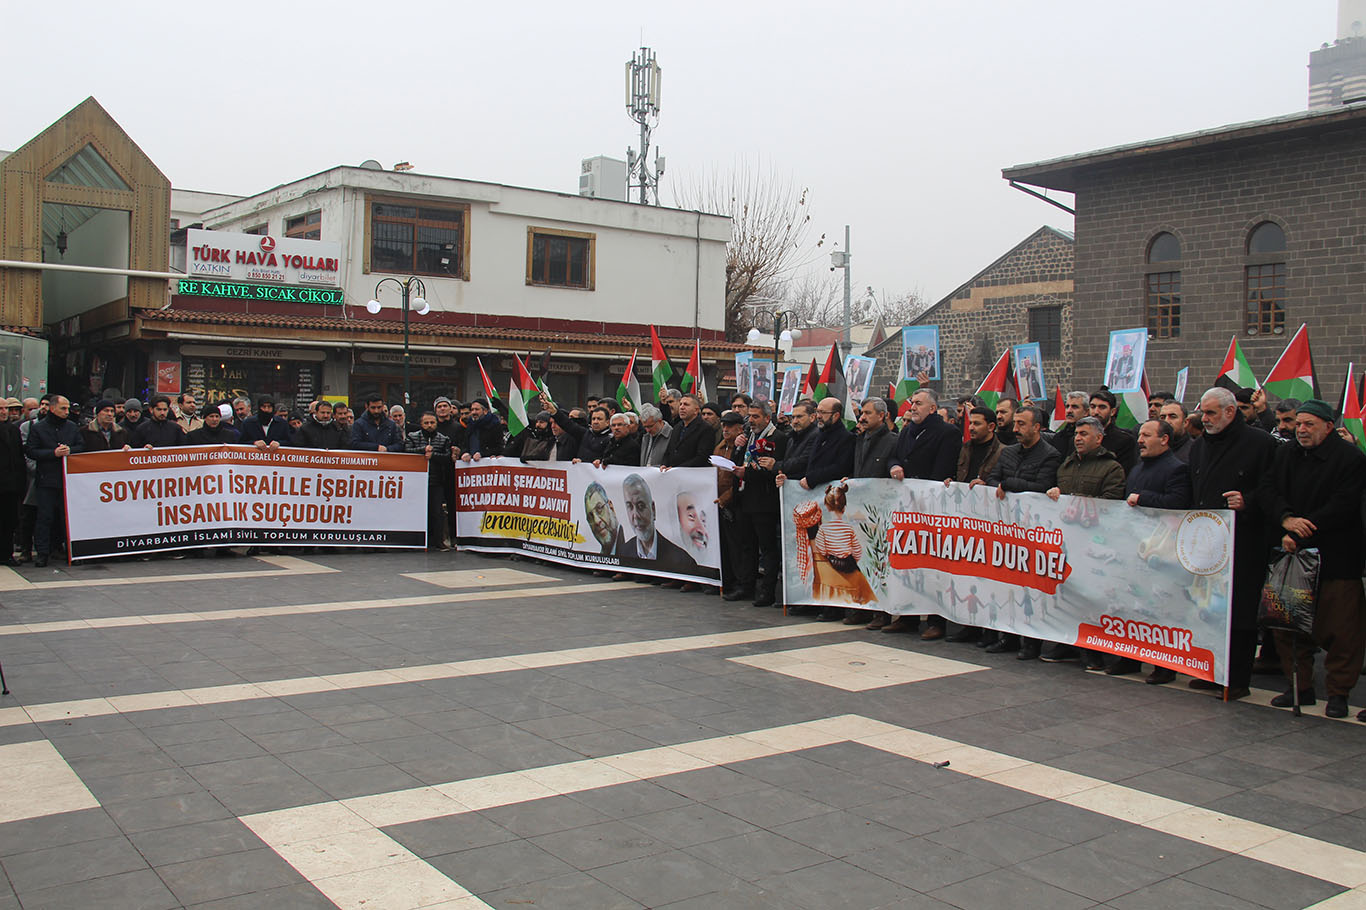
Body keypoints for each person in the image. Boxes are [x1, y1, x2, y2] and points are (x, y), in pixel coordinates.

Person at [1260, 399, 1366, 717]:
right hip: (1291, 557)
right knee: (1289, 626)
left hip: (1336, 559)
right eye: (1299, 424)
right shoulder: (1285, 453)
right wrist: (1285, 519)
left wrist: (1300, 532)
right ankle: (1299, 687)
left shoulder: (1351, 459)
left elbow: (1344, 504)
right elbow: (1267, 490)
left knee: (1342, 630)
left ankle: (1338, 693)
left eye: (1309, 424)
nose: (1301, 430)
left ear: (1328, 427)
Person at [1186, 387, 1276, 700]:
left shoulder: (1260, 443)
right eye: (1203, 412)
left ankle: (1236, 677)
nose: (1205, 418)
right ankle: (1212, 671)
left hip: (1244, 543)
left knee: (1238, 613)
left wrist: (1248, 501)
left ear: (1229, 412)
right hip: (1206, 543)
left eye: (1211, 413)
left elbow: (1273, 487)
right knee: (1209, 608)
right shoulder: (1199, 447)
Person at [978, 405, 1060, 659]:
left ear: (1037, 427)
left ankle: (1031, 642)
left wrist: (1010, 485)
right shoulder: (1009, 452)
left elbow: (1042, 485)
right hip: (1006, 530)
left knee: (1031, 588)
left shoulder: (1050, 455)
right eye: (1015, 424)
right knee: (1006, 585)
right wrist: (997, 485)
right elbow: (993, 479)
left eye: (1022, 424)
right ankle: (1008, 637)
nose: (1016, 429)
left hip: (1033, 532)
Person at [1045, 416, 1127, 669]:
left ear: (1099, 438)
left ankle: (1091, 648)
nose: (1078, 438)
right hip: (1069, 542)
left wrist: (1074, 499)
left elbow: (1110, 502)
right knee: (1068, 591)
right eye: (1076, 434)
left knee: (1092, 595)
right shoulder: (1066, 465)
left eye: (1084, 434)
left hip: (1095, 543)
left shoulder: (1111, 468)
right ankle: (1067, 641)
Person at [885, 388, 961, 636]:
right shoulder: (907, 431)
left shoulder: (948, 433)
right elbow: (894, 456)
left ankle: (935, 621)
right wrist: (895, 466)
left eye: (918, 403)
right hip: (907, 507)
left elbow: (943, 469)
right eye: (912, 402)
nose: (912, 407)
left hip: (932, 509)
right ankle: (908, 616)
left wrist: (923, 491)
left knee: (933, 565)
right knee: (910, 562)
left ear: (932, 408)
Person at [941, 406, 1004, 645]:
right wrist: (951, 482)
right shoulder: (964, 449)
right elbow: (958, 475)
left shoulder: (1001, 451)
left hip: (990, 522)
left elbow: (1000, 478)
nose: (972, 428)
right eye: (970, 423)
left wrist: (987, 483)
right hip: (965, 518)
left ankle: (989, 630)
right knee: (968, 574)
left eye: (977, 424)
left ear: (991, 426)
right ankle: (970, 625)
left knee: (988, 576)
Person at [730, 400, 786, 606]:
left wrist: (750, 473)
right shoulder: (748, 436)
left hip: (764, 500)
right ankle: (746, 586)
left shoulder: (777, 438)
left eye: (755, 416)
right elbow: (740, 460)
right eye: (750, 416)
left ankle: (767, 591)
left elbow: (772, 469)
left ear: (767, 418)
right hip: (745, 497)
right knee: (747, 545)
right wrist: (737, 449)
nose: (751, 420)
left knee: (767, 547)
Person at [25, 395, 82, 567]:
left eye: (67, 409)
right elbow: (31, 451)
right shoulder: (39, 428)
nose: (66, 412)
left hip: (67, 481)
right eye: (63, 408)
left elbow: (81, 446)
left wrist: (70, 450)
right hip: (46, 479)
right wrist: (53, 453)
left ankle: (70, 551)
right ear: (52, 408)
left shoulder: (72, 427)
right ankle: (43, 553)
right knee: (45, 517)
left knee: (67, 518)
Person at [621, 473, 697, 572]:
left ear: (653, 509)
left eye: (641, 506)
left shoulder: (682, 561)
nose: (636, 516)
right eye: (630, 506)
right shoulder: (623, 552)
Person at [405, 411, 453, 551]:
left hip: (436, 481)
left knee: (437, 513)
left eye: (432, 422)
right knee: (417, 512)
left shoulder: (443, 439)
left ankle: (438, 541)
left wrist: (433, 455)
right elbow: (407, 452)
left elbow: (447, 457)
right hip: (416, 481)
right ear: (421, 424)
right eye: (426, 423)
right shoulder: (412, 437)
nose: (429, 425)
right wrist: (422, 451)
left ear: (436, 423)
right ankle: (417, 541)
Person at [715, 411, 746, 598]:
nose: (725, 430)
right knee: (724, 546)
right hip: (717, 501)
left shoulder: (739, 448)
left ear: (739, 429)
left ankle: (739, 582)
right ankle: (725, 580)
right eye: (723, 426)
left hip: (733, 502)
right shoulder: (719, 447)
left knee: (737, 546)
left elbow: (737, 481)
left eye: (729, 427)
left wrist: (725, 498)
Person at [1088, 388, 1137, 472]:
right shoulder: (1078, 438)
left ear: (1112, 412)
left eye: (1102, 407)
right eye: (1093, 407)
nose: (1096, 412)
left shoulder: (1124, 440)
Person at [0, 402, 23, 566]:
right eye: (0, 409)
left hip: (11, 484)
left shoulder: (13, 429)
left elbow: (19, 456)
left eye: (5, 408)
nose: (4, 412)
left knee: (9, 520)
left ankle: (6, 553)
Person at [662, 395, 712, 468]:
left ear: (696, 410)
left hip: (692, 475)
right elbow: (669, 451)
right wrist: (664, 464)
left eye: (686, 404)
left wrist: (677, 468)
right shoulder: (677, 427)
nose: (682, 407)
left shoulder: (705, 429)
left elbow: (701, 457)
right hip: (673, 475)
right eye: (680, 404)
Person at [1049, 391, 1089, 457]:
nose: (1069, 411)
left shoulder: (1091, 437)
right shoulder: (1059, 437)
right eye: (1067, 406)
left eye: (1075, 407)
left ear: (1086, 412)